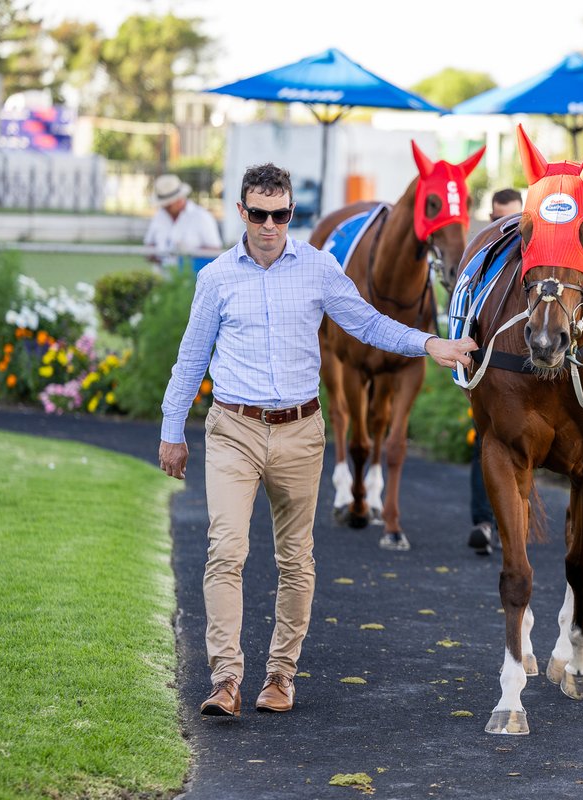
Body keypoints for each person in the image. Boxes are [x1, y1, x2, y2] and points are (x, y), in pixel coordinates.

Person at [158, 163, 476, 718]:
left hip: (300, 432)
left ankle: (280, 675)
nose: (269, 225)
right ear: (242, 213)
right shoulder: (215, 279)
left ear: (290, 214)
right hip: (233, 429)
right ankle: (226, 679)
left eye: (280, 215)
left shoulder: (318, 268)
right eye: (258, 214)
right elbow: (190, 358)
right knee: (226, 552)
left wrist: (431, 343)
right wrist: (171, 430)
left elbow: (369, 323)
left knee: (296, 560)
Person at [466, 188, 523, 556]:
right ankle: (484, 522)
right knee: (485, 438)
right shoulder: (486, 265)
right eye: (499, 221)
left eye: (515, 221)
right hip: (493, 374)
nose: (508, 228)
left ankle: (509, 523)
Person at [143, 174, 223, 270]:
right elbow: (149, 245)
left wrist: (189, 254)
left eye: (168, 204)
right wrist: (156, 256)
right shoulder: (159, 216)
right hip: (161, 279)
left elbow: (215, 251)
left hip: (191, 280)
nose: (164, 207)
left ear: (179, 199)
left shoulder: (201, 217)